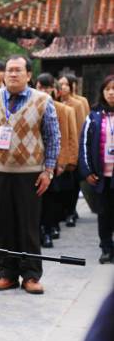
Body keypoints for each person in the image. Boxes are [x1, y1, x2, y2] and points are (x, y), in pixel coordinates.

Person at [0, 55, 60, 294]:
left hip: (31, 173)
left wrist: (48, 170)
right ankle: (7, 273)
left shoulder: (43, 100)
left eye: (18, 70)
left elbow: (53, 137)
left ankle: (31, 275)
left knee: (29, 225)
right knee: (3, 224)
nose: (12, 74)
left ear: (29, 75)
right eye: (9, 70)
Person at [36, 73, 79, 248]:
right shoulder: (31, 108)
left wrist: (62, 162)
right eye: (41, 87)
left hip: (54, 163)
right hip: (34, 162)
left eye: (48, 87)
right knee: (36, 199)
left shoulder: (64, 110)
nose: (44, 91)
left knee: (52, 199)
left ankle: (49, 229)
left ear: (55, 90)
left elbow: (70, 138)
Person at [79, 74, 114, 263]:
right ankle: (106, 248)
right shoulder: (93, 116)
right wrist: (87, 171)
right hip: (102, 176)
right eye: (108, 89)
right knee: (104, 214)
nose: (111, 93)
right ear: (102, 92)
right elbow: (84, 144)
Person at [58, 74, 89, 227]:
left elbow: (80, 128)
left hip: (72, 146)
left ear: (72, 86)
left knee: (72, 183)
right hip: (58, 148)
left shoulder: (78, 104)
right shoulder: (55, 102)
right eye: (61, 84)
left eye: (66, 84)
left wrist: (75, 152)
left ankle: (71, 210)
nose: (62, 87)